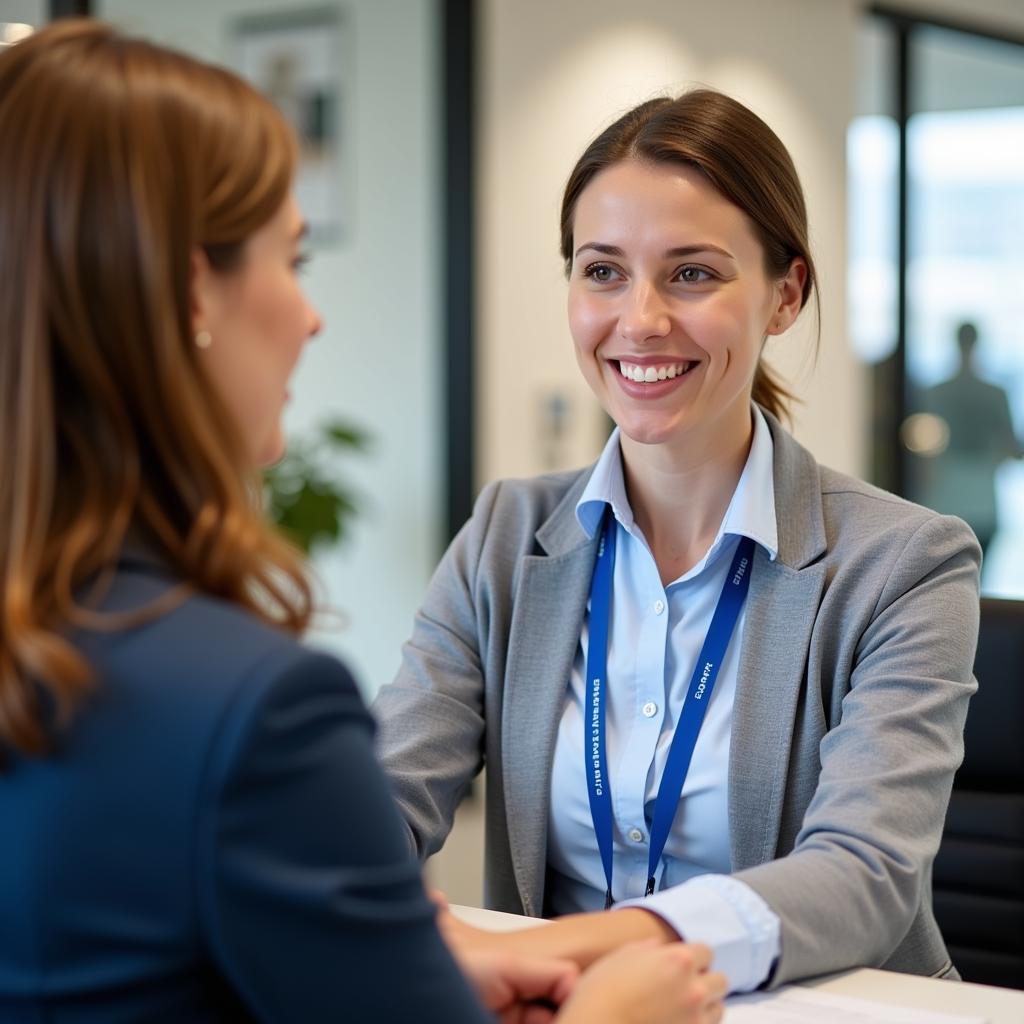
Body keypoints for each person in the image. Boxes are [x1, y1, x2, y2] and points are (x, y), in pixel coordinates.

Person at [0, 21, 727, 1024]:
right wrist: (618, 1011)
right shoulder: (254, 706)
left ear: (784, 293)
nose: (310, 317)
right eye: (289, 260)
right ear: (188, 294)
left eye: (692, 272)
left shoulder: (55, 650)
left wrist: (382, 959)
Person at [372, 90, 982, 993]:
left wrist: (570, 952)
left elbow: (866, 873)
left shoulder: (904, 563)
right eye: (603, 271)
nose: (642, 320)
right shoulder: (506, 535)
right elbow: (384, 790)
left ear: (786, 294)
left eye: (693, 273)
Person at [915, 320, 1023, 559]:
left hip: (947, 494)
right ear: (976, 344)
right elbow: (1011, 446)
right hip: (980, 494)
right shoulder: (994, 394)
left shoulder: (936, 393)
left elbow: (923, 447)